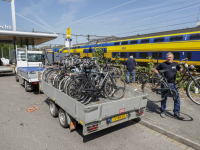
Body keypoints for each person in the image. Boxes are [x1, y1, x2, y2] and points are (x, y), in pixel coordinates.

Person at [154, 52, 185, 120]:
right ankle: (163, 111)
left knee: (177, 98)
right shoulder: (163, 64)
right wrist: (159, 75)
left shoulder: (176, 64)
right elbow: (155, 70)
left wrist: (185, 67)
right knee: (164, 98)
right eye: (168, 57)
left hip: (173, 84)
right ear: (166, 58)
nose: (169, 59)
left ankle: (176, 113)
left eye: (170, 57)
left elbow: (182, 71)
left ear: (172, 58)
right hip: (165, 83)